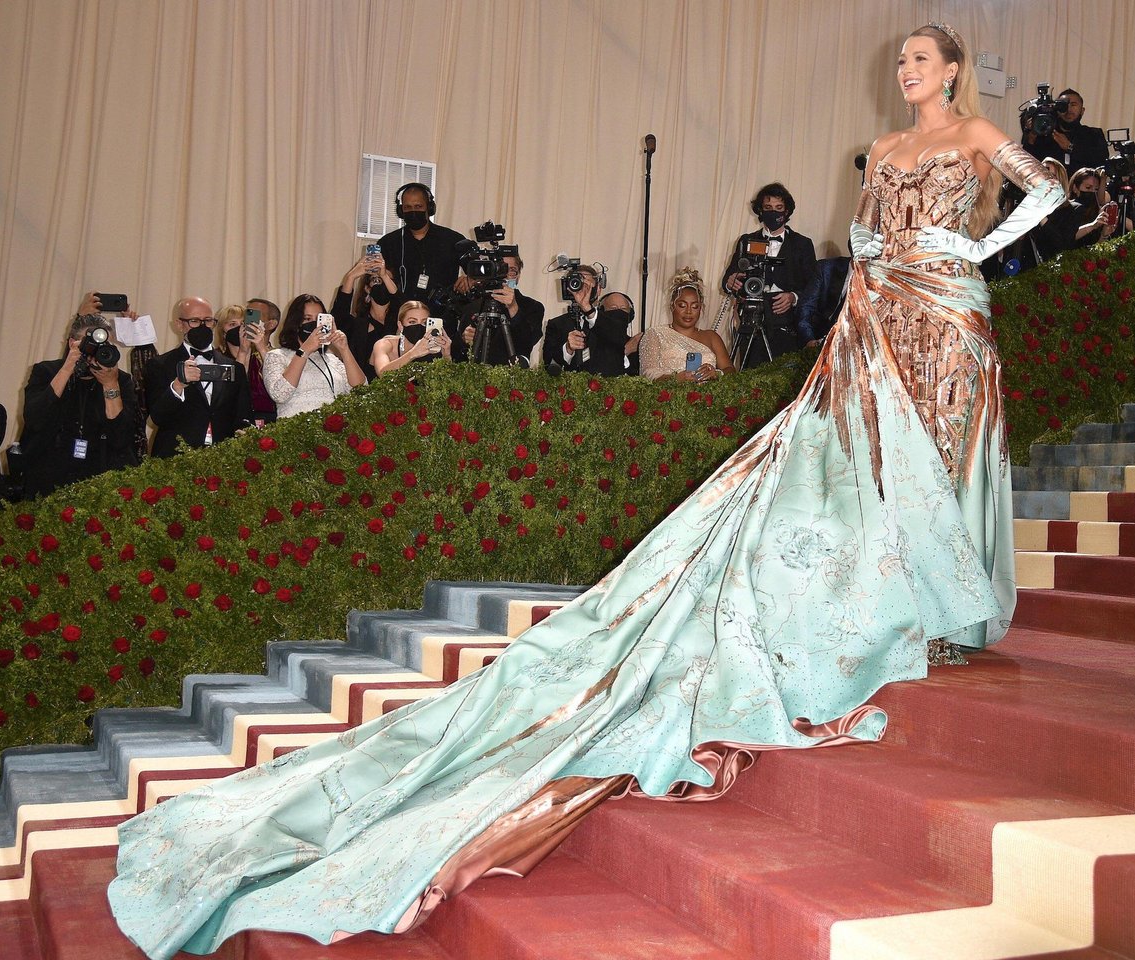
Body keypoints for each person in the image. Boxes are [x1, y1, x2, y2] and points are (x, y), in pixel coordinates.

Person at [108, 24, 1064, 958]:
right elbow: (860, 233)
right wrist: (875, 262)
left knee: (938, 452)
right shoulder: (885, 148)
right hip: (878, 315)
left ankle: (932, 603)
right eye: (901, 59)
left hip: (950, 310)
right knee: (865, 461)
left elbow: (1049, 189)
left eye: (921, 60)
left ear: (953, 71)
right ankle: (895, 602)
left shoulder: (976, 135)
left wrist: (970, 251)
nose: (905, 70)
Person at [19, 297, 140, 498]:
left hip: (100, 477)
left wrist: (110, 385)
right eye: (88, 343)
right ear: (71, 343)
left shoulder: (121, 380)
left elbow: (121, 438)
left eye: (103, 344)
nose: (94, 350)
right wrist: (67, 368)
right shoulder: (46, 371)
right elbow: (35, 419)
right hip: (49, 474)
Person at [720, 182, 817, 367]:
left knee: (784, 377)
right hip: (751, 322)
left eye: (778, 208)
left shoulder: (802, 244)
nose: (773, 212)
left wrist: (793, 297)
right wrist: (730, 282)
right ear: (760, 210)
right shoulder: (746, 240)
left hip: (787, 326)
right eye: (768, 207)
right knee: (750, 376)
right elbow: (728, 280)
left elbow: (813, 286)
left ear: (787, 211)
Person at [144, 296, 251, 457]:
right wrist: (178, 385)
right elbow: (157, 416)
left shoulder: (234, 367)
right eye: (194, 321)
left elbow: (243, 416)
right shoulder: (160, 365)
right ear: (179, 324)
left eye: (207, 320)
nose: (202, 326)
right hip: (175, 457)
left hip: (223, 458)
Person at [262, 295, 368, 419]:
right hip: (296, 427)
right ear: (295, 323)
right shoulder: (276, 356)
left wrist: (344, 350)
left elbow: (361, 390)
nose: (314, 325)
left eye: (318, 319)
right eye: (307, 319)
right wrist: (305, 350)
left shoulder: (331, 360)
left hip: (335, 427)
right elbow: (280, 394)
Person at [376, 183, 467, 303]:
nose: (413, 211)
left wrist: (470, 279)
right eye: (408, 207)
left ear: (429, 208)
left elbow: (479, 269)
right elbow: (374, 280)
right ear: (401, 211)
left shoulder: (453, 239)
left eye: (418, 206)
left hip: (442, 312)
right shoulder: (388, 243)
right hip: (400, 311)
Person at [638, 268, 734, 382]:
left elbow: (731, 371)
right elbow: (648, 373)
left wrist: (716, 373)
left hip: (708, 392)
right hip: (669, 392)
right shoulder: (655, 334)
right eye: (682, 306)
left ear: (700, 308)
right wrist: (675, 379)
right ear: (672, 306)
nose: (688, 311)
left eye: (694, 307)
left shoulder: (712, 337)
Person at [454, 253, 544, 366]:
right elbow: (456, 353)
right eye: (501, 269)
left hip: (511, 373)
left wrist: (513, 307)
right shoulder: (473, 306)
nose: (504, 275)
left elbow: (527, 342)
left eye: (511, 270)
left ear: (518, 275)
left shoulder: (532, 307)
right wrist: (464, 339)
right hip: (476, 373)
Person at [542, 265, 631, 375]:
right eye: (578, 284)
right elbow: (549, 365)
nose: (583, 290)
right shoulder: (556, 324)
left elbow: (617, 337)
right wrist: (568, 349)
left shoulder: (614, 318)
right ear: (569, 288)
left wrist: (588, 309)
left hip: (607, 385)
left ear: (598, 289)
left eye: (587, 285)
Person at [330, 252, 401, 379]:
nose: (382, 284)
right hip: (361, 386)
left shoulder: (401, 322)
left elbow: (403, 304)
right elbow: (339, 315)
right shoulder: (357, 325)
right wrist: (351, 277)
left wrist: (384, 275)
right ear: (367, 288)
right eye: (376, 280)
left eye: (386, 280)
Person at [1020, 87, 1108, 177]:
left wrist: (1070, 147)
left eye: (1073, 105)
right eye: (1063, 105)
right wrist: (1032, 136)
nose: (1068, 109)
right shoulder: (1044, 134)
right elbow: (1027, 165)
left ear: (1082, 111)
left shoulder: (1094, 134)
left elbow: (1102, 161)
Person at [371, 300, 452, 375]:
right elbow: (382, 374)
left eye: (424, 322)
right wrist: (413, 353)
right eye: (412, 322)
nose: (419, 326)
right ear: (400, 325)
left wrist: (446, 356)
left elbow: (445, 381)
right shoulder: (384, 344)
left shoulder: (431, 349)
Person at [243, 297, 280, 425]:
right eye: (246, 315)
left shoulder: (280, 356)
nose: (247, 320)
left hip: (272, 419)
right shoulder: (231, 351)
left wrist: (262, 348)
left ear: (271, 324)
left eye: (253, 315)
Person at [1066, 167, 1117, 247]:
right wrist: (1092, 226)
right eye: (1088, 187)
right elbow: (1065, 238)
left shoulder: (1098, 214)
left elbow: (1095, 248)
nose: (1092, 192)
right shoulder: (1066, 210)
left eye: (1096, 189)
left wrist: (1104, 234)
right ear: (1075, 188)